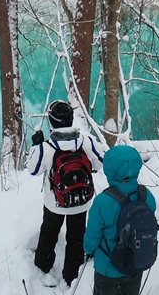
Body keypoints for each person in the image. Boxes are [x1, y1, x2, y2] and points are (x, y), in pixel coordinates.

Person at [26, 100, 104, 286]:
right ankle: (72, 275)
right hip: (81, 201)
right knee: (76, 237)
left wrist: (35, 146)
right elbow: (100, 162)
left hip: (55, 203)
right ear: (71, 120)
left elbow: (33, 169)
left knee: (49, 232)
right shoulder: (86, 141)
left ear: (52, 122)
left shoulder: (46, 147)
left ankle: (43, 266)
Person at [83, 145, 157, 295]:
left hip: (108, 267)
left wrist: (88, 250)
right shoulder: (146, 195)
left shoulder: (103, 201)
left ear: (109, 170)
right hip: (135, 262)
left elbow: (93, 234)